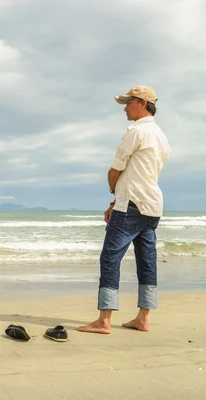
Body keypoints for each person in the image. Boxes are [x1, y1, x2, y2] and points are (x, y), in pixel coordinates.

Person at [78, 85, 171, 334]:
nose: (125, 109)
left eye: (128, 103)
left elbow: (115, 171)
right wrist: (114, 202)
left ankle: (104, 320)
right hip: (152, 206)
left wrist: (113, 196)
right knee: (147, 262)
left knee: (110, 257)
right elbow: (140, 174)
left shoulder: (136, 131)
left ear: (142, 102)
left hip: (131, 204)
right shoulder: (161, 136)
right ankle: (143, 318)